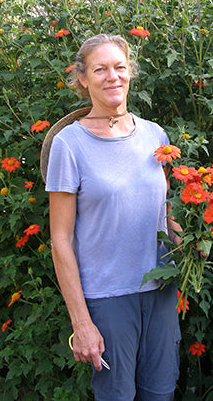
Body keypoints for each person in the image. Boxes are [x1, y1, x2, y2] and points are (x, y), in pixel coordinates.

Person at [45, 34, 182, 401]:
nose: (112, 76)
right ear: (82, 78)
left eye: (119, 67)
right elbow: (60, 241)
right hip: (107, 299)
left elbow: (164, 211)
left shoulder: (155, 135)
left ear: (130, 73)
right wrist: (81, 322)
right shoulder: (68, 145)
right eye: (100, 69)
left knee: (161, 394)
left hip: (161, 292)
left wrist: (193, 243)